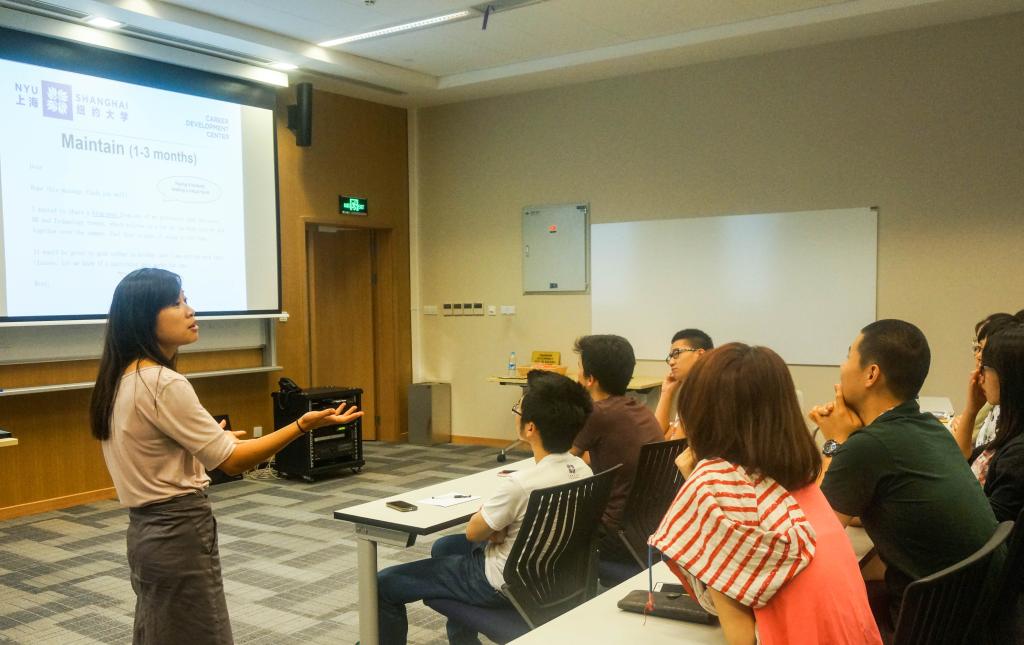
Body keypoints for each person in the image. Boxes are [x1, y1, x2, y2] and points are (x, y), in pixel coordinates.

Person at [89, 268, 363, 644]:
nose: (189, 310)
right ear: (143, 316)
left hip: (146, 533)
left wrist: (206, 442)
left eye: (185, 299)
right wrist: (301, 425)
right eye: (175, 302)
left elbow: (153, 455)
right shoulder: (163, 383)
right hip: (178, 531)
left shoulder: (124, 378)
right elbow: (233, 461)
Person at [650, 343, 881, 645]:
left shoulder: (716, 484)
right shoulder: (801, 481)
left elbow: (740, 637)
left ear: (699, 408)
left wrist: (699, 486)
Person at [377, 370, 592, 645]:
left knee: (384, 583)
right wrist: (500, 529)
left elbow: (473, 532)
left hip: (497, 583)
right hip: (548, 577)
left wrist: (495, 529)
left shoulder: (521, 484)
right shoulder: (583, 470)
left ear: (530, 428)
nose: (516, 413)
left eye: (518, 409)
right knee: (445, 548)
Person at [811, 319, 998, 626]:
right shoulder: (928, 427)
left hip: (930, 622)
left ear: (871, 374)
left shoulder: (869, 447)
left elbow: (813, 540)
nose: (842, 368)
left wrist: (836, 443)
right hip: (972, 613)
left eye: (848, 357)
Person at [569, 334, 663, 561]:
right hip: (646, 527)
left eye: (579, 368)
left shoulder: (597, 413)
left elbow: (561, 462)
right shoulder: (640, 409)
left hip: (610, 533)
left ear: (590, 379)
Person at [960, 324, 1024, 522]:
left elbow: (990, 527)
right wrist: (971, 410)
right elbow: (959, 464)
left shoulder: (1017, 454)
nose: (979, 376)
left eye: (985, 368)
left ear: (1009, 376)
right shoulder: (1009, 434)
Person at [950, 312, 1020, 447]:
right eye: (978, 348)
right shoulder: (993, 400)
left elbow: (960, 452)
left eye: (984, 349)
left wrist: (968, 416)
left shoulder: (1002, 403)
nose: (978, 356)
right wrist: (970, 412)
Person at [654, 328, 713, 439]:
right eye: (670, 357)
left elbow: (667, 444)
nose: (671, 362)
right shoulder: (692, 392)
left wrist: (667, 435)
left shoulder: (707, 393)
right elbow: (656, 435)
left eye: (676, 353)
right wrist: (666, 392)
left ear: (700, 354)